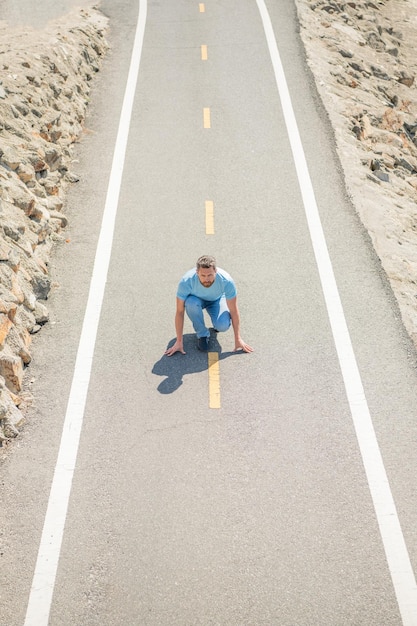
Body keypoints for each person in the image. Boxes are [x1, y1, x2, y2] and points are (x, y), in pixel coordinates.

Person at [165, 255, 253, 355]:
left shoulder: (227, 281)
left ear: (215, 271)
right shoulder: (186, 282)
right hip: (196, 300)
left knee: (222, 326)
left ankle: (217, 324)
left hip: (217, 300)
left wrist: (238, 339)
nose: (207, 279)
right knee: (190, 303)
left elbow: (234, 310)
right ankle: (202, 334)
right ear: (197, 272)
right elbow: (180, 312)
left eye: (210, 275)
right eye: (203, 275)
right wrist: (179, 341)